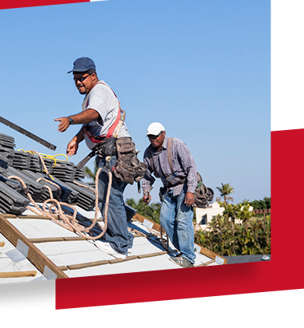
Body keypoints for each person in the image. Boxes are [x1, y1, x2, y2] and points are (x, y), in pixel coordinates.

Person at [54, 57, 134, 259]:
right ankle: (124, 238)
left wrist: (70, 120)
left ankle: (119, 245)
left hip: (113, 152)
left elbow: (92, 114)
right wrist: (77, 139)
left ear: (93, 76)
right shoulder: (94, 93)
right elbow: (93, 122)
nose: (78, 82)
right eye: (75, 79)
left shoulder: (99, 91)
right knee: (111, 197)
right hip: (115, 150)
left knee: (109, 198)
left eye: (82, 78)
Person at [140, 122, 197, 268]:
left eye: (155, 136)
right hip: (168, 189)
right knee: (165, 220)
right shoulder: (148, 153)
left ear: (163, 134)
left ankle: (188, 257)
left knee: (184, 221)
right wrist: (146, 191)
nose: (153, 139)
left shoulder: (176, 145)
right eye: (150, 137)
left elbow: (191, 167)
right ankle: (186, 248)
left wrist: (190, 190)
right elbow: (146, 175)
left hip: (184, 187)